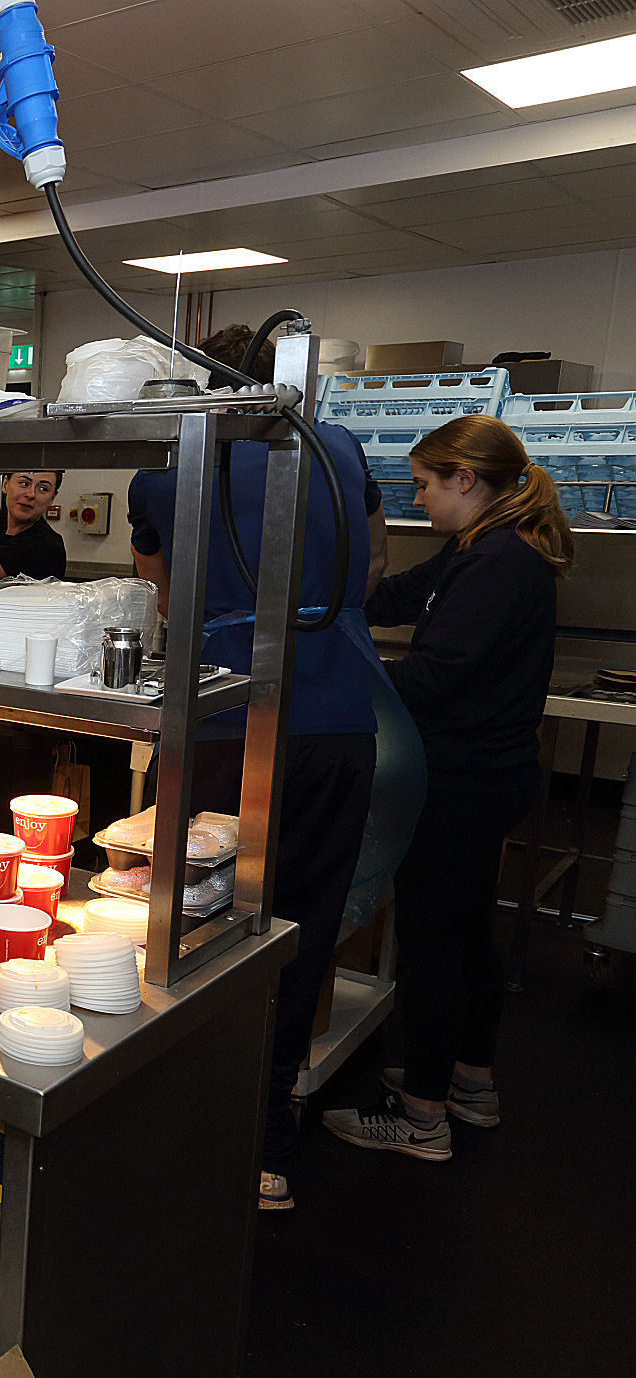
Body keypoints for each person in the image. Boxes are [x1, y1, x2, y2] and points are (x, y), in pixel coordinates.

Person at [127, 328, 382, 1213]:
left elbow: (160, 593)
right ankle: (264, 1145)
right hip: (338, 717)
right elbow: (372, 565)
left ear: (198, 386)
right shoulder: (338, 446)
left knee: (191, 917)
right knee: (300, 925)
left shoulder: (168, 467)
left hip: (223, 718)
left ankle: (176, 1119)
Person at [323, 415, 570, 1162]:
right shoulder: (480, 547)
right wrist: (321, 599)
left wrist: (338, 681)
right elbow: (399, 595)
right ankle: (469, 1081)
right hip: (488, 776)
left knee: (432, 946)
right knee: (465, 934)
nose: (417, 498)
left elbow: (436, 677)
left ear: (466, 480)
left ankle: (420, 1117)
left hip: (464, 781)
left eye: (424, 485)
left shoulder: (497, 563)